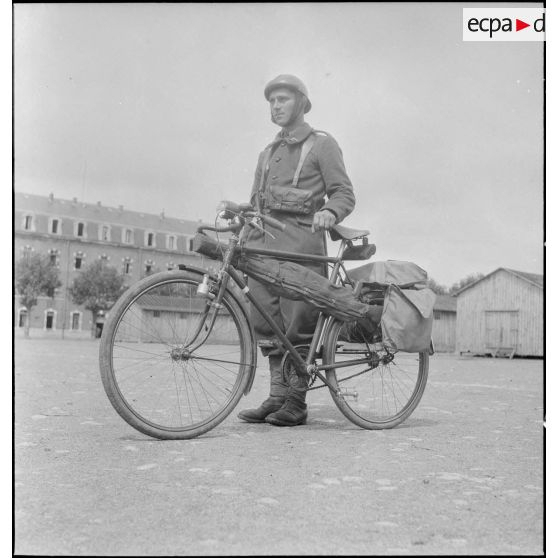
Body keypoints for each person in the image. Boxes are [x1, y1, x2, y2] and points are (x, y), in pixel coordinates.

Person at [237, 74, 356, 427]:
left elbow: (344, 193)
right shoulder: (267, 153)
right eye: (271, 101)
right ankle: (276, 397)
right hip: (262, 249)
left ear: (302, 103)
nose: (276, 106)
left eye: (283, 99)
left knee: (297, 324)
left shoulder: (322, 144)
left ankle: (296, 401)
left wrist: (329, 212)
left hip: (301, 249)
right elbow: (256, 202)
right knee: (265, 321)